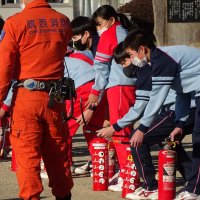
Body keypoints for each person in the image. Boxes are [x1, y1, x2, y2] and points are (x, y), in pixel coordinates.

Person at [97, 41, 195, 199]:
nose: (124, 68)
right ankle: (194, 182)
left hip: (177, 110)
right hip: (184, 108)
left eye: (125, 62)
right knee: (172, 144)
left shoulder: (146, 70)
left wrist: (115, 127)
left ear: (136, 52)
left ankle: (151, 186)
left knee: (137, 140)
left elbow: (140, 107)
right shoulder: (149, 67)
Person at [0, 0, 73, 199]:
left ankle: (31, 196)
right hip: (55, 98)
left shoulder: (15, 23)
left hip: (26, 96)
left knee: (27, 156)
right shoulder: (63, 21)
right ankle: (64, 194)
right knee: (57, 154)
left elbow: (4, 68)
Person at [121, 29, 200, 200]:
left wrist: (142, 127)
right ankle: (193, 187)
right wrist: (180, 123)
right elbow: (182, 93)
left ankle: (194, 190)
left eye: (130, 54)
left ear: (142, 49)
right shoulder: (159, 59)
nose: (132, 59)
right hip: (196, 96)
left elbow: (157, 96)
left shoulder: (162, 59)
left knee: (199, 141)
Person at [82, 5, 137, 192]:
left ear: (111, 21)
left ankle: (127, 174)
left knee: (120, 131)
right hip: (128, 85)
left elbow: (101, 66)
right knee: (124, 129)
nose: (98, 29)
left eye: (99, 24)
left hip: (119, 86)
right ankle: (126, 172)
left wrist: (95, 91)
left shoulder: (110, 35)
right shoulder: (125, 32)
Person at [64, 16, 107, 175]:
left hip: (84, 90)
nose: (74, 40)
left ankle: (65, 166)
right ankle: (102, 167)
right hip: (99, 89)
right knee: (93, 129)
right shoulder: (86, 52)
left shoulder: (58, 58)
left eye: (75, 37)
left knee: (64, 129)